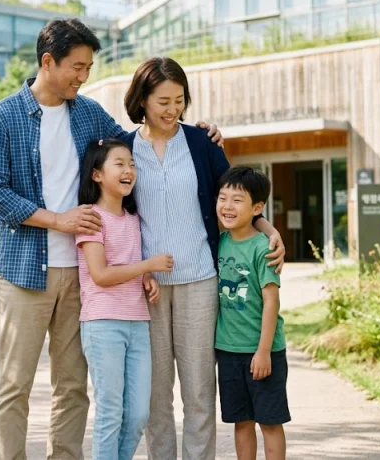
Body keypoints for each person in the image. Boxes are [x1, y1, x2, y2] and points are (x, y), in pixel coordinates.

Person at [0, 19, 223, 460]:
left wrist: (193, 128)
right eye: (77, 66)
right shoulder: (2, 116)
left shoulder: (88, 113)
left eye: (89, 67)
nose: (83, 76)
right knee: (14, 386)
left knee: (73, 388)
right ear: (47, 62)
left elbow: (136, 143)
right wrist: (58, 221)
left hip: (83, 277)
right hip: (25, 270)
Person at [119, 57, 286, 460]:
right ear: (141, 99)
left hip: (199, 280)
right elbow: (116, 212)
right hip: (150, 286)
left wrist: (268, 229)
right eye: (162, 101)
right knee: (156, 395)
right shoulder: (123, 148)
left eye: (179, 100)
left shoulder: (200, 142)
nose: (172, 109)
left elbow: (236, 197)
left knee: (198, 392)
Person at [75, 139, 172, 460]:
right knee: (110, 411)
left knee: (138, 414)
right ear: (97, 175)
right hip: (103, 324)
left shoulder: (133, 219)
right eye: (119, 164)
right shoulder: (90, 217)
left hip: (138, 323)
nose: (129, 170)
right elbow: (100, 274)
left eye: (131, 163)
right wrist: (147, 266)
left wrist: (145, 278)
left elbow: (126, 262)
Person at [215, 166, 289, 460]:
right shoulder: (219, 243)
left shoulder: (264, 248)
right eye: (223, 198)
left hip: (262, 351)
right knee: (241, 420)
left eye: (237, 200)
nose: (227, 206)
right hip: (228, 351)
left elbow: (272, 302)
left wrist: (263, 351)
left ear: (257, 208)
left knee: (270, 421)